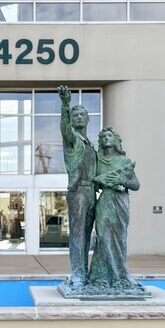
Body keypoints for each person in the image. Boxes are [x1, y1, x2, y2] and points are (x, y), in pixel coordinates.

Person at [87, 127, 146, 293]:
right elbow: (93, 182)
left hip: (120, 201)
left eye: (109, 135)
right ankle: (100, 277)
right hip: (104, 201)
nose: (106, 138)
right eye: (103, 136)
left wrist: (122, 180)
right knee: (103, 238)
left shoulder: (124, 161)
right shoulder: (97, 160)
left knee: (119, 239)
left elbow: (136, 185)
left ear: (116, 140)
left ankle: (120, 275)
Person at [58, 86, 97, 291]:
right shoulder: (72, 139)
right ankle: (78, 275)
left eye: (82, 114)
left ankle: (85, 272)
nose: (79, 117)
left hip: (92, 193)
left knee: (88, 235)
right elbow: (65, 128)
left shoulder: (90, 144)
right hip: (78, 191)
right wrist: (66, 105)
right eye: (75, 115)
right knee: (78, 235)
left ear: (88, 119)